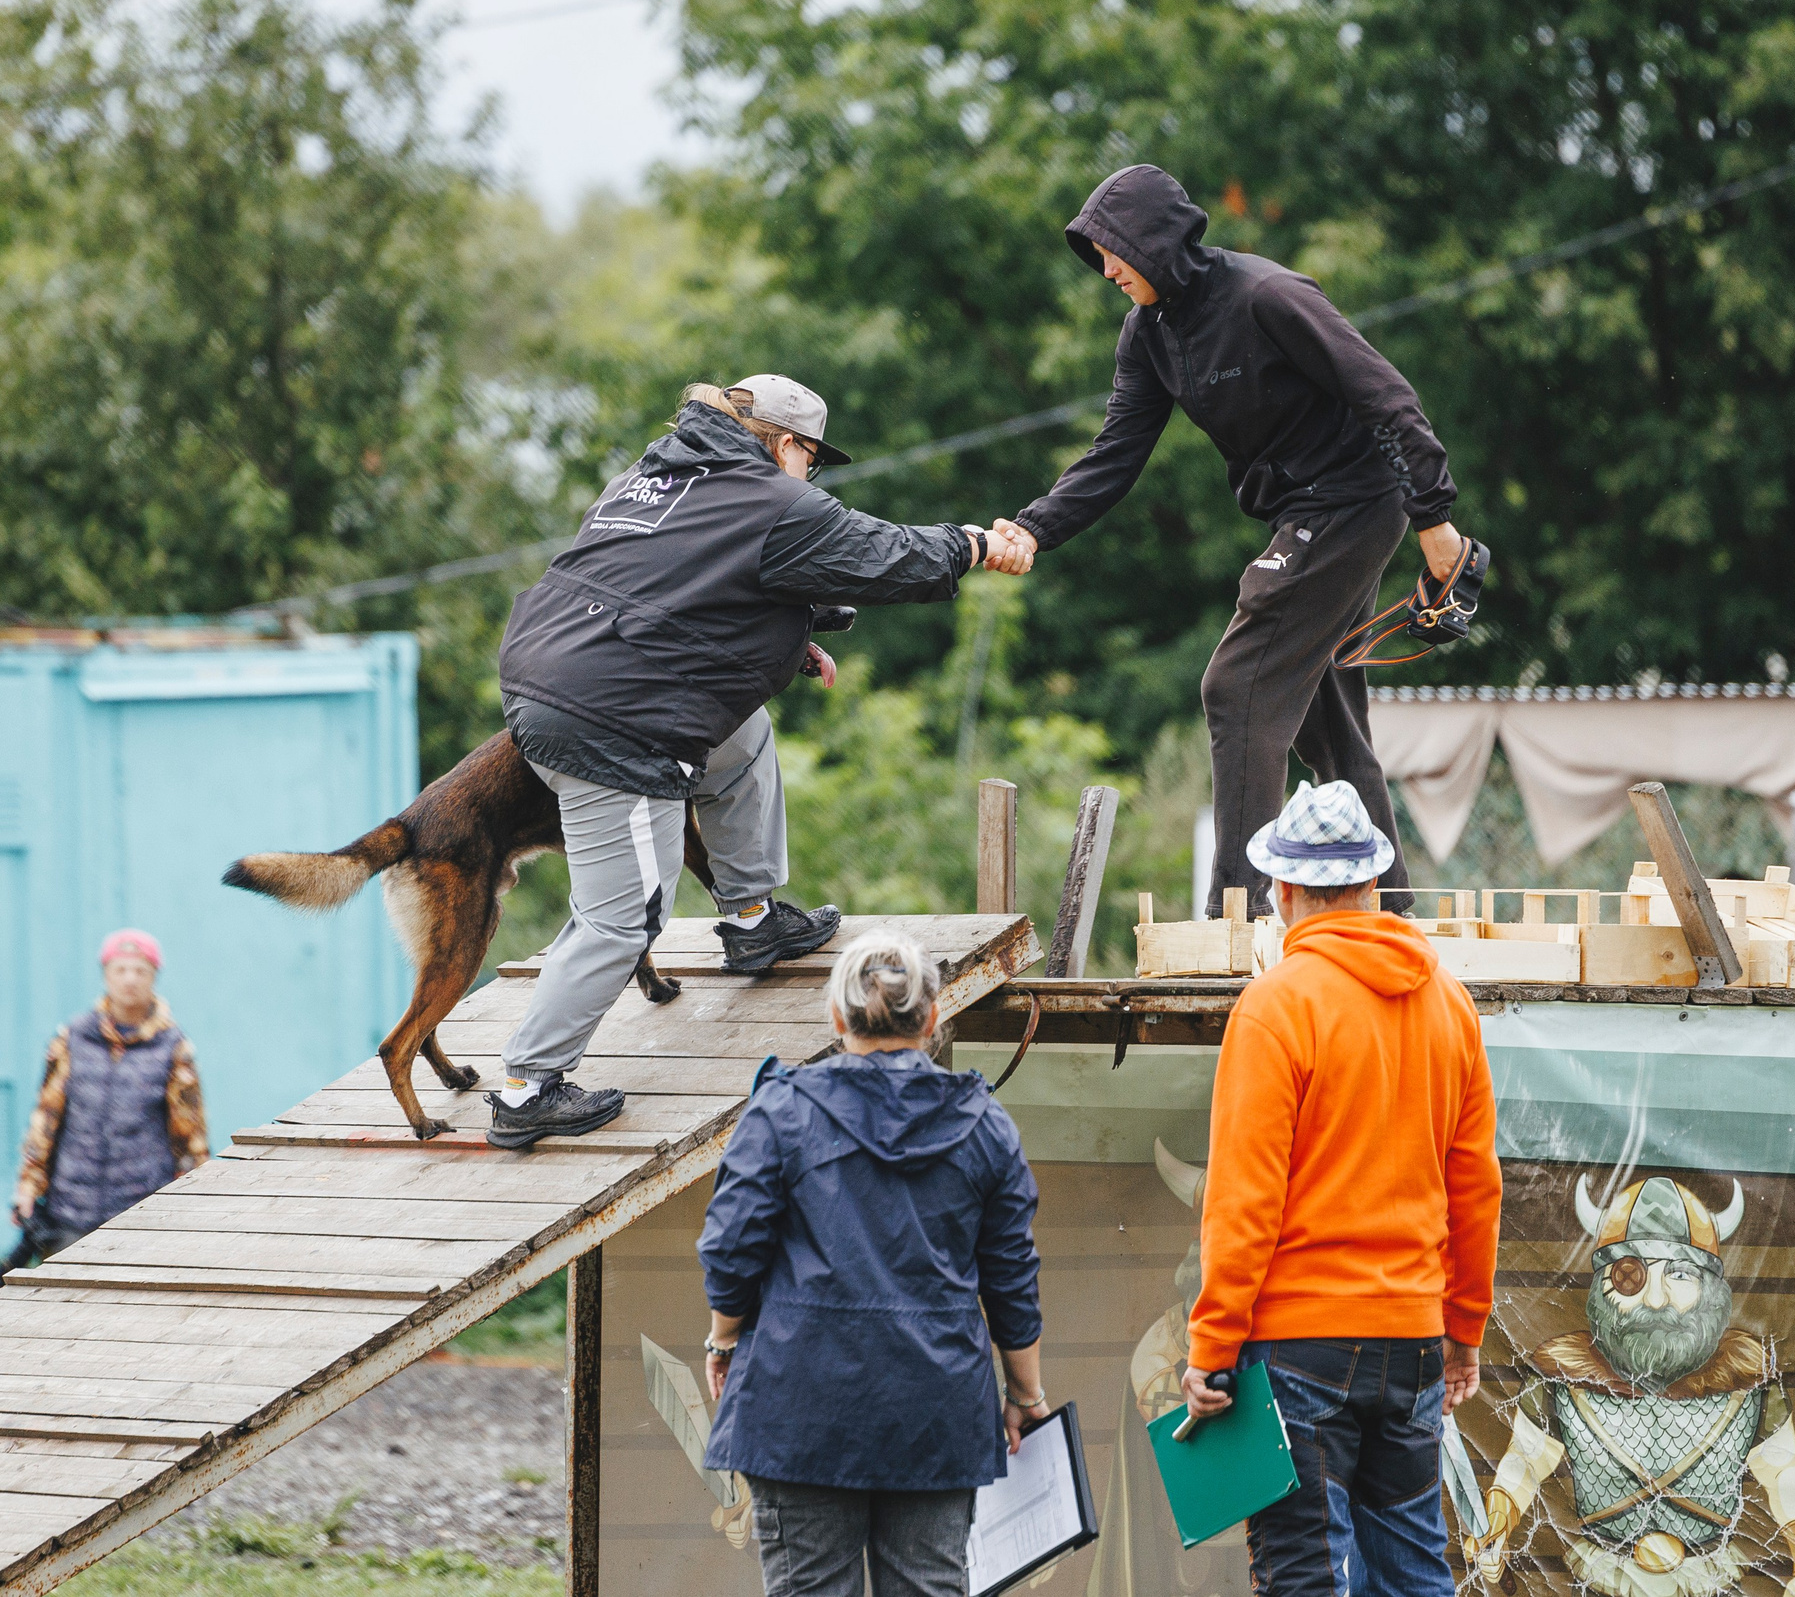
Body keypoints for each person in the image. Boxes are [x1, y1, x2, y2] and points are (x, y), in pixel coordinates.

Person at [491, 376, 1011, 1149]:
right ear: (785, 444)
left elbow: (673, 585)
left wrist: (786, 643)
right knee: (626, 913)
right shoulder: (769, 498)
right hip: (611, 715)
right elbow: (883, 554)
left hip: (558, 670)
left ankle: (752, 918)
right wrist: (971, 543)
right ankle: (527, 1087)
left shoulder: (654, 477)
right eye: (812, 459)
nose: (812, 476)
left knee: (743, 735)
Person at [982, 165, 1468, 914]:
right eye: (1096, 256)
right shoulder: (1149, 333)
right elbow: (1116, 452)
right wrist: (1035, 527)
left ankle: (1234, 915)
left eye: (1113, 251)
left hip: (1356, 498)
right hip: (1300, 511)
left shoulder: (1267, 297)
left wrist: (1436, 524)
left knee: (1236, 687)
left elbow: (1386, 395)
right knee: (1323, 718)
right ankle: (1391, 913)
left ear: (1156, 241)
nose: (1106, 269)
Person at [1178, 779, 1501, 1597]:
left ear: (1284, 891)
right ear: (1372, 885)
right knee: (1414, 1569)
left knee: (1307, 1574)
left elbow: (1243, 1206)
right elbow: (1476, 1186)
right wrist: (1462, 1324)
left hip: (1299, 1345)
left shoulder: (1274, 1008)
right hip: (1415, 1342)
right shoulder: (1449, 1005)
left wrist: (1212, 1352)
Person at [697, 931, 1046, 1597]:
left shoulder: (782, 1109)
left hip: (801, 1406)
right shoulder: (984, 1123)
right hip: (936, 1414)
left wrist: (725, 1335)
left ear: (836, 1018)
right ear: (934, 1018)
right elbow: (1011, 1276)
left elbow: (731, 1244)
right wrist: (1024, 1393)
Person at [9, 929, 208, 1257]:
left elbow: (191, 1136)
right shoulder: (72, 1038)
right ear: (106, 975)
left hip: (141, 1217)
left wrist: (197, 1200)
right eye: (121, 970)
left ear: (154, 977)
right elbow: (45, 1117)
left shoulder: (173, 1047)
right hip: (70, 1212)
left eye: (140, 971)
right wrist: (28, 1186)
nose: (130, 979)